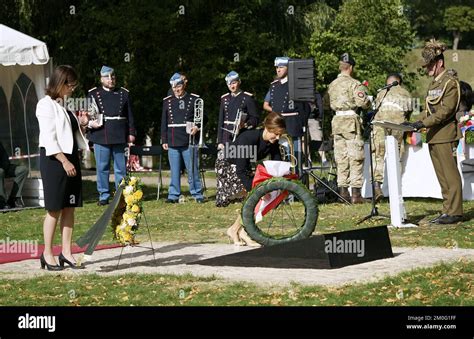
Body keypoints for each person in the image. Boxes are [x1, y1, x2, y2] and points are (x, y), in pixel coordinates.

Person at [403, 40, 463, 225]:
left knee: (450, 175)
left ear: (439, 63)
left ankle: (455, 212)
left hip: (446, 135)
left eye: (430, 65)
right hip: (434, 136)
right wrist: (414, 122)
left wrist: (423, 122)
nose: (427, 69)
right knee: (442, 175)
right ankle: (447, 210)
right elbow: (430, 110)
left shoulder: (450, 83)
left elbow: (446, 111)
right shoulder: (434, 84)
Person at [35, 65, 89, 270]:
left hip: (71, 159)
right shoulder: (45, 105)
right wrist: (64, 161)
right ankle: (47, 253)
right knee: (55, 208)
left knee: (70, 206)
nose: (73, 89)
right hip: (54, 161)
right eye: (71, 85)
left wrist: (82, 124)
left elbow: (69, 133)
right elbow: (49, 138)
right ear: (61, 83)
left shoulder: (63, 105)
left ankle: (66, 252)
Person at [220, 112, 286, 245]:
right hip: (229, 166)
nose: (278, 137)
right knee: (253, 198)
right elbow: (240, 170)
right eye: (276, 133)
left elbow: (277, 163)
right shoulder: (248, 138)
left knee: (253, 200)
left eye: (280, 134)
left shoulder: (273, 142)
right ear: (267, 128)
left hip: (243, 167)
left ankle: (237, 230)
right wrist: (257, 190)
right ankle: (241, 231)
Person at [87, 66, 136, 206]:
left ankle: (121, 194)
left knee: (121, 167)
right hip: (100, 134)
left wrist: (131, 133)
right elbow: (88, 114)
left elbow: (130, 115)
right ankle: (104, 195)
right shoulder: (93, 94)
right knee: (102, 167)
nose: (111, 80)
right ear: (101, 79)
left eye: (113, 77)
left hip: (120, 134)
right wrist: (90, 124)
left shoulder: (124, 93)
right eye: (107, 77)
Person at [327, 53, 371, 204]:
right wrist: (368, 101)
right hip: (351, 122)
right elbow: (362, 103)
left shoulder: (332, 84)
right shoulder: (354, 84)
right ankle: (356, 195)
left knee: (341, 158)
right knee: (356, 157)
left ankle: (343, 193)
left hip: (337, 122)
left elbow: (327, 104)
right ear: (351, 67)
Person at [161, 73, 205, 203]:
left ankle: (197, 194)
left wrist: (197, 127)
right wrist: (164, 139)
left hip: (189, 140)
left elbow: (203, 118)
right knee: (174, 171)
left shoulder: (194, 99)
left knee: (193, 170)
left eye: (178, 86)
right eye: (174, 87)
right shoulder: (167, 101)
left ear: (183, 85)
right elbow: (164, 122)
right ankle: (173, 195)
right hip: (173, 139)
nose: (176, 89)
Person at [264, 57, 311, 174]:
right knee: (280, 161)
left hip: (292, 125)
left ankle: (297, 184)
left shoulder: (295, 84)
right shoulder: (274, 85)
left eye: (281, 67)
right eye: (276, 67)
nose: (278, 70)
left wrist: (300, 124)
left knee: (295, 160)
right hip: (278, 127)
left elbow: (305, 108)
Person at [371, 73, 412, 201]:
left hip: (380, 123)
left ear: (388, 81)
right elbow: (410, 110)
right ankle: (395, 188)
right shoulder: (405, 93)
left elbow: (375, 108)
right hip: (397, 123)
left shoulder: (382, 92)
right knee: (396, 153)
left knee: (378, 153)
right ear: (399, 82)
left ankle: (377, 185)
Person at [217, 71, 259, 149]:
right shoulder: (224, 98)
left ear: (239, 82)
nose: (231, 86)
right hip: (226, 137)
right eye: (229, 84)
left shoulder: (247, 98)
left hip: (242, 135)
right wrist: (220, 141)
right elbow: (221, 121)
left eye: (234, 83)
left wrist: (245, 124)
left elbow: (255, 119)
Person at [0, 142, 29, 209]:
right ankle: (1, 201)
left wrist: (5, 167)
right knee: (0, 172)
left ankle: (13, 199)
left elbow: (5, 158)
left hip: (4, 167)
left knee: (23, 170)